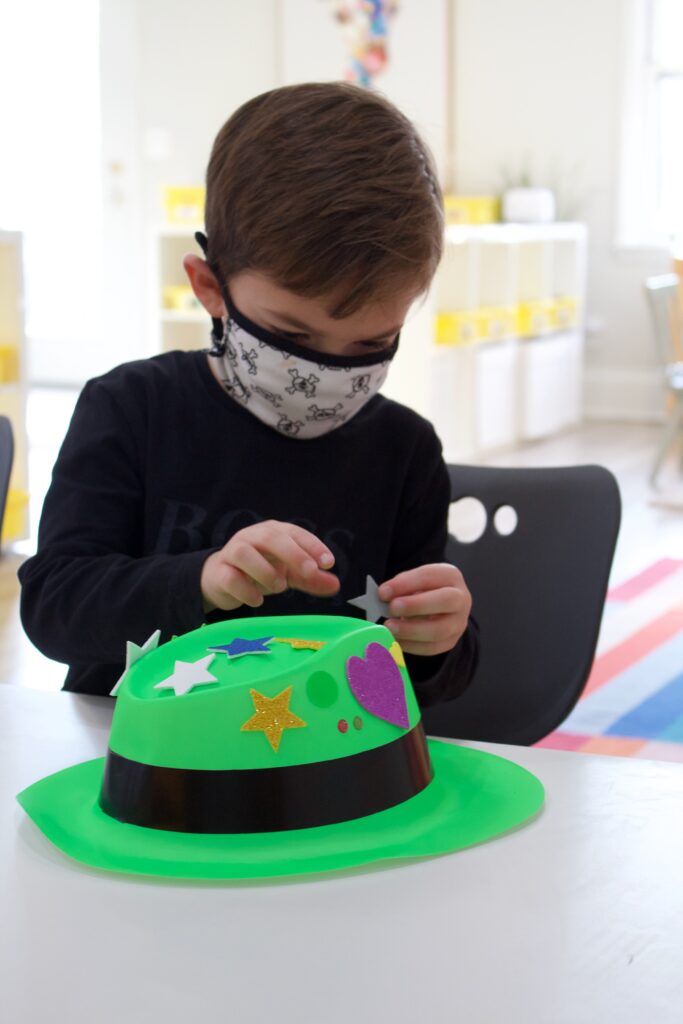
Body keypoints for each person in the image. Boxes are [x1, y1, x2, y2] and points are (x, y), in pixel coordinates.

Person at [18, 82, 478, 703]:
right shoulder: (132, 408)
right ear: (209, 287)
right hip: (141, 750)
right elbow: (54, 606)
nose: (328, 370)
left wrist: (441, 639)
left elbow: (423, 679)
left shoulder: (406, 452)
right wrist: (200, 580)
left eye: (372, 342)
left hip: (324, 753)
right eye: (292, 335)